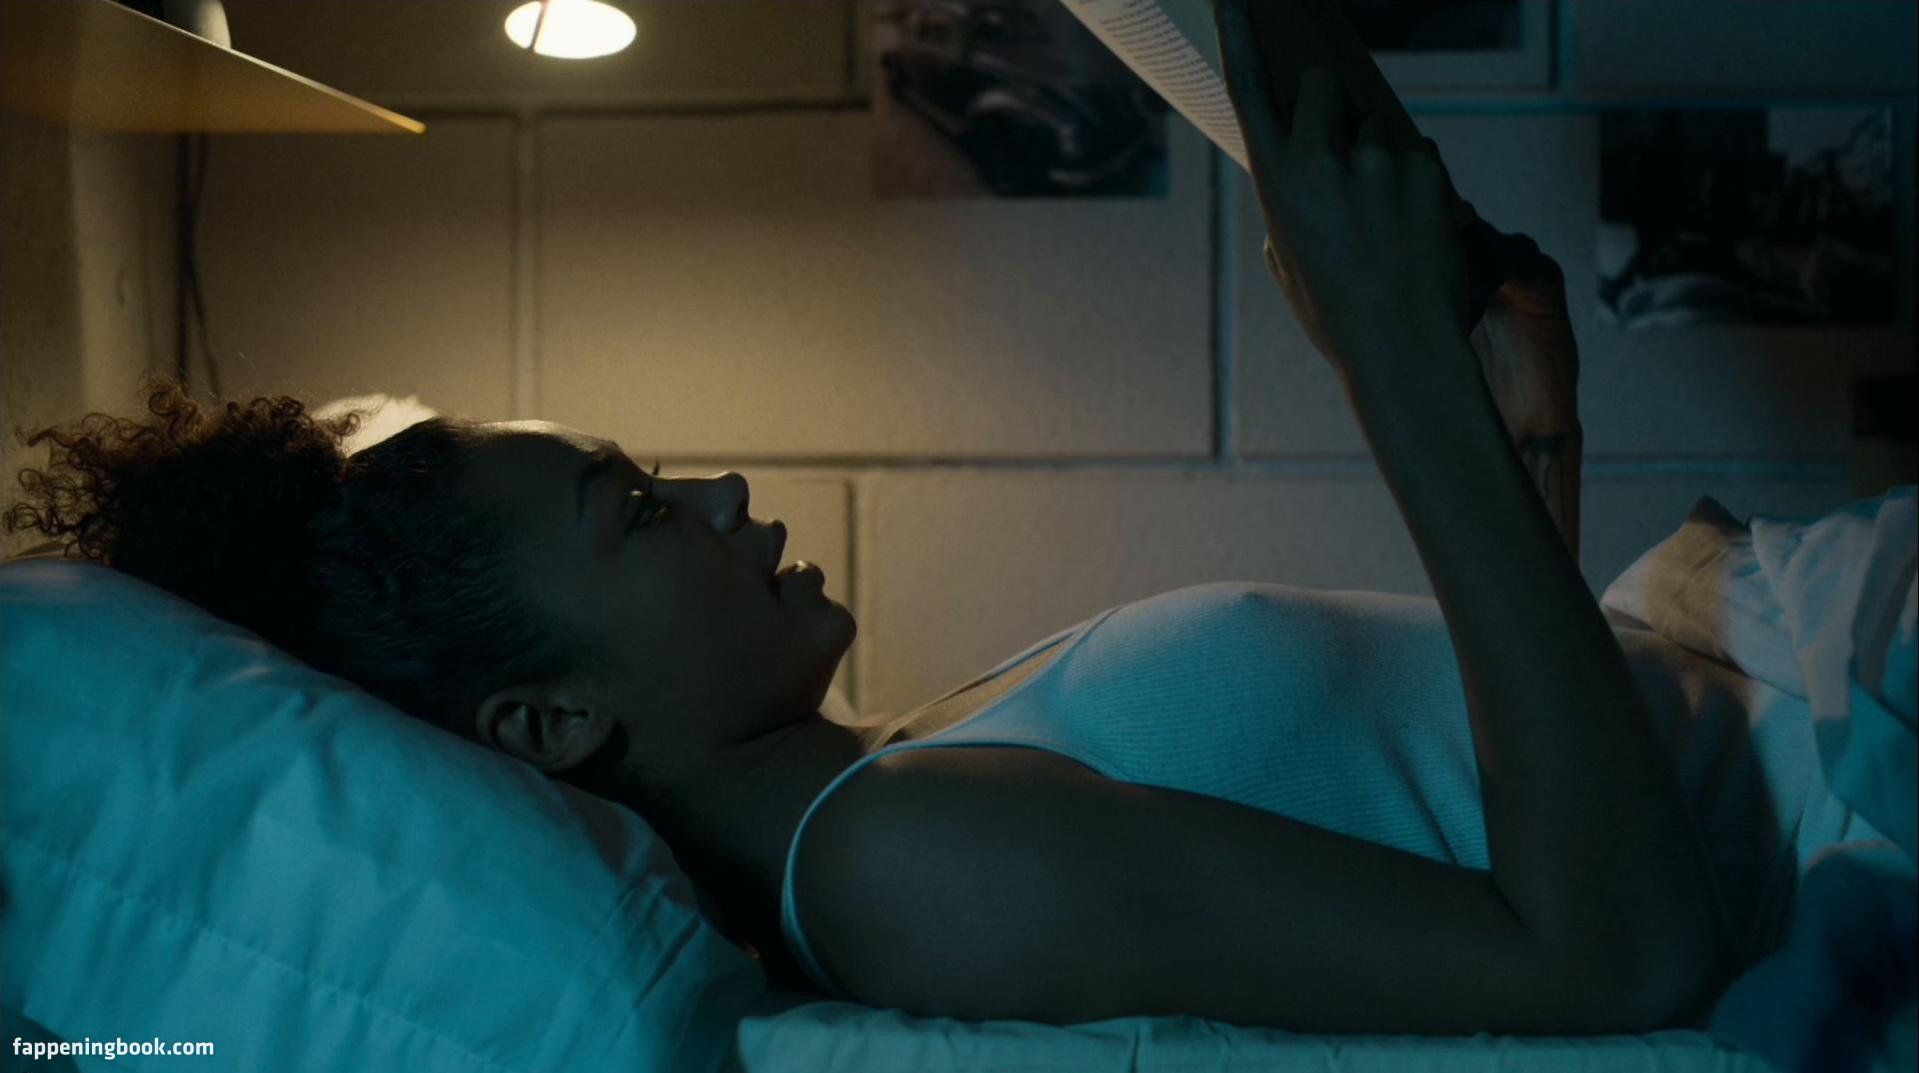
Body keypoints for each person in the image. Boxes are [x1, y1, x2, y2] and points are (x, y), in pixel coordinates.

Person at [4, 0, 1749, 1038]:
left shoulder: (902, 775)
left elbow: (1495, 792)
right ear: (547, 720)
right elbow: (1615, 956)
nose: (719, 493)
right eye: (633, 507)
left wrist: (1523, 438)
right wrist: (1393, 377)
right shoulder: (897, 862)